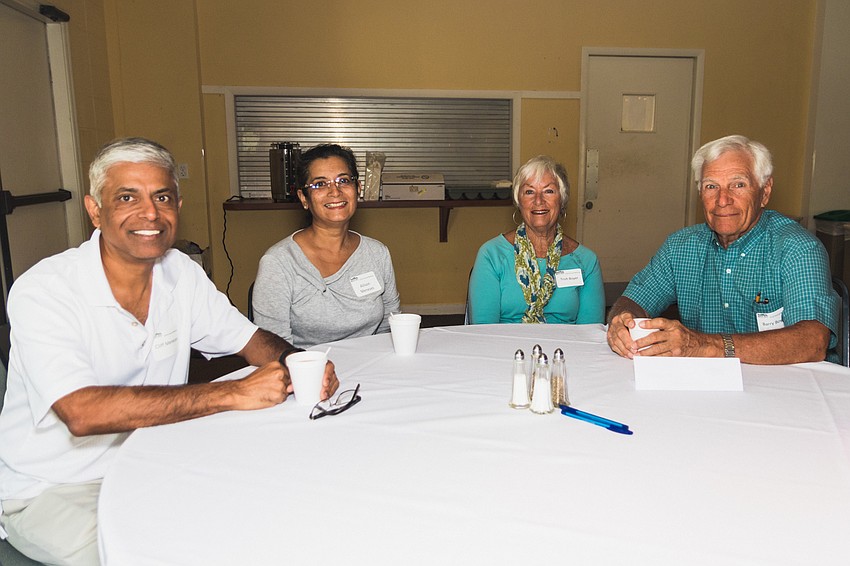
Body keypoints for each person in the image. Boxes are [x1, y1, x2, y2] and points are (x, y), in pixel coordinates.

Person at [0, 138, 339, 566]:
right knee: (163, 553)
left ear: (177, 206)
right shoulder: (45, 290)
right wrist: (231, 393)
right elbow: (82, 412)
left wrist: (299, 362)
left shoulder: (181, 273)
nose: (150, 214)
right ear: (95, 211)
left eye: (162, 197)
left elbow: (250, 339)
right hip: (53, 489)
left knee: (274, 513)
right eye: (127, 198)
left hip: (151, 462)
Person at [606, 134, 839, 364]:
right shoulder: (680, 247)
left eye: (738, 185)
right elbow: (633, 300)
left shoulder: (798, 248)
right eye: (711, 186)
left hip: (787, 381)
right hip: (704, 381)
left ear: (765, 191)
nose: (723, 200)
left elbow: (813, 341)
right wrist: (622, 322)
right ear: (700, 193)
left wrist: (705, 346)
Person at [253, 144, 400, 348]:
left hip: (371, 362)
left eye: (344, 180)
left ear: (358, 189)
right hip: (306, 365)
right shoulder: (279, 262)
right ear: (304, 198)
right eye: (320, 184)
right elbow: (274, 347)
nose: (335, 191)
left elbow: (390, 326)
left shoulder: (377, 253)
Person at [467, 155, 605, 324]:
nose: (538, 200)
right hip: (505, 341)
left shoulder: (586, 261)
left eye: (548, 191)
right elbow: (483, 330)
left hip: (566, 342)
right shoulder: (492, 255)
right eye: (529, 192)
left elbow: (590, 332)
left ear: (562, 200)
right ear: (519, 202)